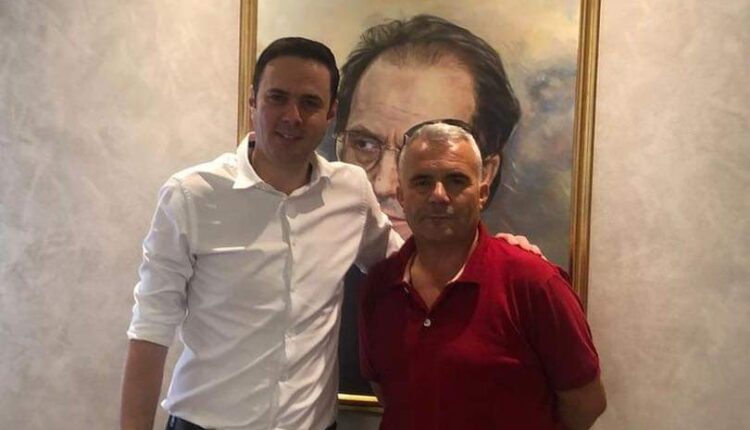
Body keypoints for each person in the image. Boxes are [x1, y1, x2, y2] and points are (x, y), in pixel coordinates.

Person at [121, 37, 537, 430]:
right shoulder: (191, 195)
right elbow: (150, 329)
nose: (292, 116)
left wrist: (496, 255)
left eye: (310, 102)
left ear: (330, 113)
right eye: (277, 97)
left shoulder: (350, 191)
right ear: (252, 101)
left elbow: (409, 263)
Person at [359, 120, 606, 429]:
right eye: (422, 181)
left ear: (482, 193)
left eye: (456, 180)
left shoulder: (535, 283)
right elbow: (389, 394)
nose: (438, 195)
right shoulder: (380, 286)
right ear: (402, 196)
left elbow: (586, 403)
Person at [334, 14, 520, 239]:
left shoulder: (514, 262)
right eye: (364, 144)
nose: (383, 185)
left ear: (484, 174)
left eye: (423, 151)